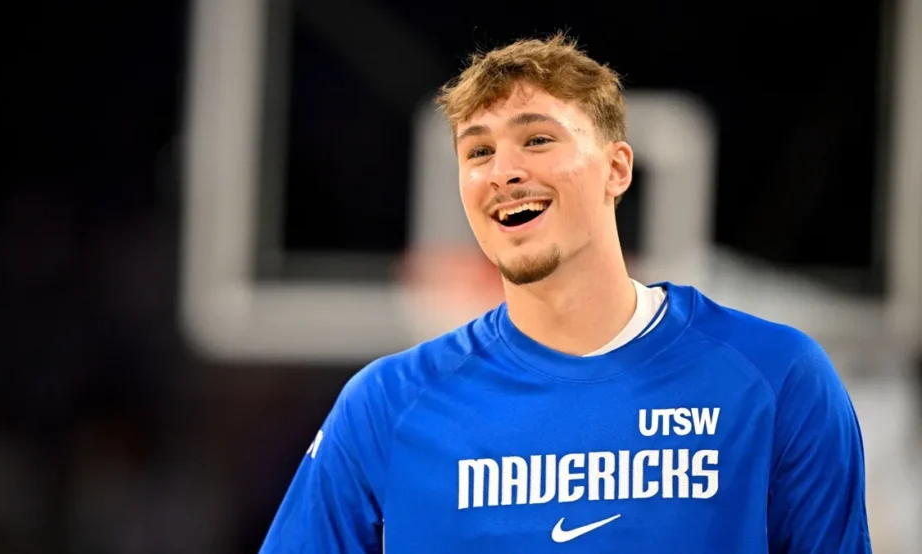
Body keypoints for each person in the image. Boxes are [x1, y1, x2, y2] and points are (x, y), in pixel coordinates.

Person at [259, 32, 872, 553]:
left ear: (618, 169)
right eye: (479, 151)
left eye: (537, 139)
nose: (503, 171)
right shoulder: (386, 406)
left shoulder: (774, 377)